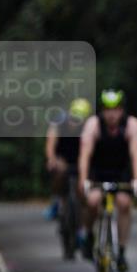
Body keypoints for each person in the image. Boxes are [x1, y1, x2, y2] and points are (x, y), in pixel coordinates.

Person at [78, 89, 137, 272]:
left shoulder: (132, 125)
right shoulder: (93, 124)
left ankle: (122, 252)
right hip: (98, 173)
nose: (112, 114)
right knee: (92, 202)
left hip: (121, 173)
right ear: (102, 110)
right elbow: (85, 154)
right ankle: (89, 235)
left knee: (124, 204)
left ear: (122, 110)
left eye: (116, 109)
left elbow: (136, 154)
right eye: (108, 109)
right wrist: (83, 179)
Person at [44, 97, 91, 254]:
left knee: (82, 192)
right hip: (62, 157)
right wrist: (52, 159)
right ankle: (57, 201)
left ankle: (82, 229)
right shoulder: (59, 123)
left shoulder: (89, 128)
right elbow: (51, 143)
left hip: (80, 158)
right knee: (58, 174)